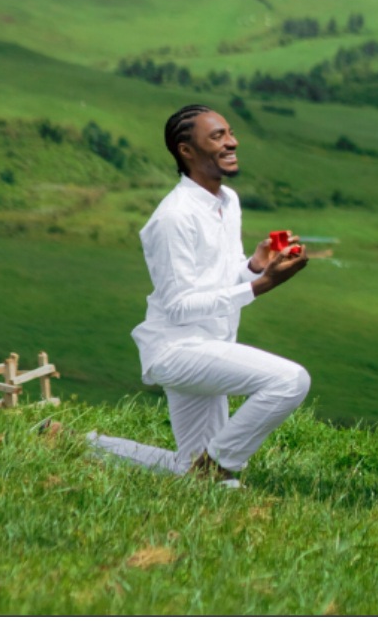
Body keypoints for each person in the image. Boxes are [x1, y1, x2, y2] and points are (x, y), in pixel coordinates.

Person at [87, 104, 311, 486]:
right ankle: (219, 464)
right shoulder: (173, 217)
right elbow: (178, 306)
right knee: (291, 381)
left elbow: (217, 280)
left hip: (210, 346)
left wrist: (253, 266)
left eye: (230, 133)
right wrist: (261, 285)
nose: (232, 142)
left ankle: (82, 444)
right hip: (177, 350)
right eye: (218, 136)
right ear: (186, 151)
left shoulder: (228, 201)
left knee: (193, 473)